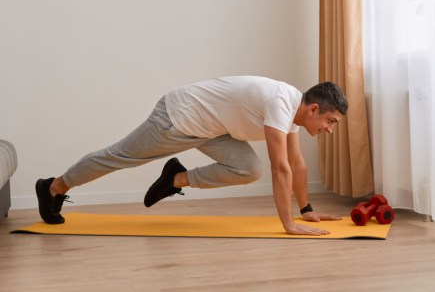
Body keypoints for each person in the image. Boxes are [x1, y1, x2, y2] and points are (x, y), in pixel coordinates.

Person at [35, 76, 348, 236]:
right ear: (314, 109)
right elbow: (281, 169)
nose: (330, 130)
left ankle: (175, 178)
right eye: (330, 122)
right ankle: (53, 187)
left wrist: (305, 210)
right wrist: (288, 225)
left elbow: (296, 163)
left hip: (211, 128)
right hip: (176, 119)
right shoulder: (281, 103)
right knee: (118, 156)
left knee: (248, 168)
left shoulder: (293, 110)